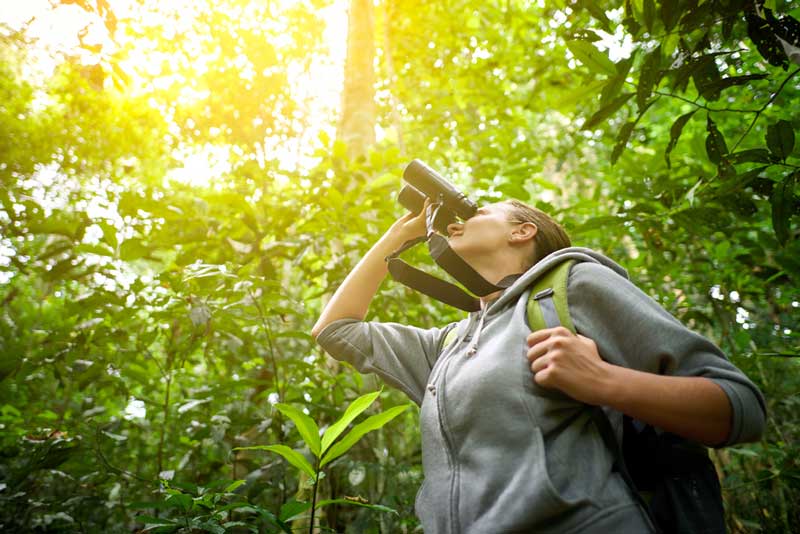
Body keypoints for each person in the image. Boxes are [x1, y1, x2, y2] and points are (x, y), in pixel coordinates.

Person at [311, 198, 766, 533]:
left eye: (480, 210)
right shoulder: (450, 344)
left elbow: (740, 408)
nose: (459, 220)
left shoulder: (574, 285)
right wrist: (397, 237)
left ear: (522, 231)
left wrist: (603, 381)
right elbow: (335, 330)